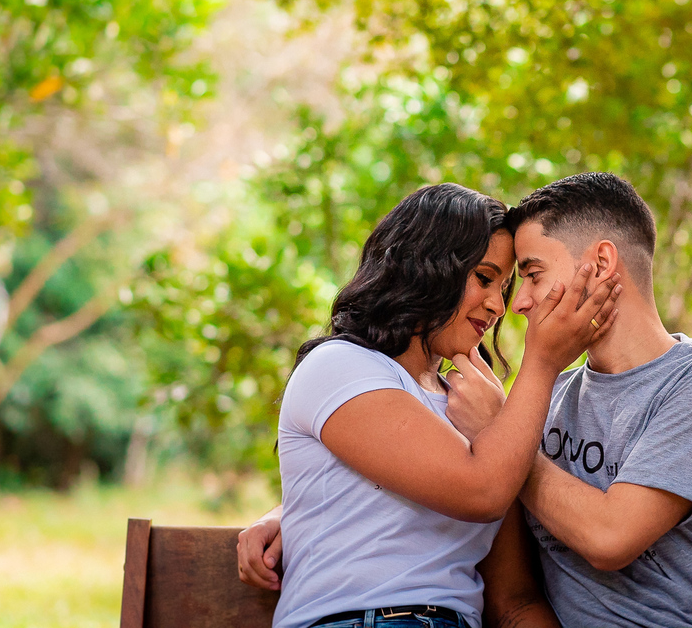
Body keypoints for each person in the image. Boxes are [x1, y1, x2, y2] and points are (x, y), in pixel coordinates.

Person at [242, 174, 692, 628]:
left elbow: (602, 539)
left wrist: (500, 427)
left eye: (529, 276)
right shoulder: (531, 410)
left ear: (601, 263)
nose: (511, 305)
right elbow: (450, 481)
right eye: (489, 280)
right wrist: (290, 513)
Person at [260, 182, 621, 628]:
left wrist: (497, 421)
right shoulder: (340, 366)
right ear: (425, 267)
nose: (498, 306)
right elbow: (481, 492)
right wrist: (543, 362)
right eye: (484, 278)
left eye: (505, 287)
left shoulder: (475, 411)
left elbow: (514, 601)